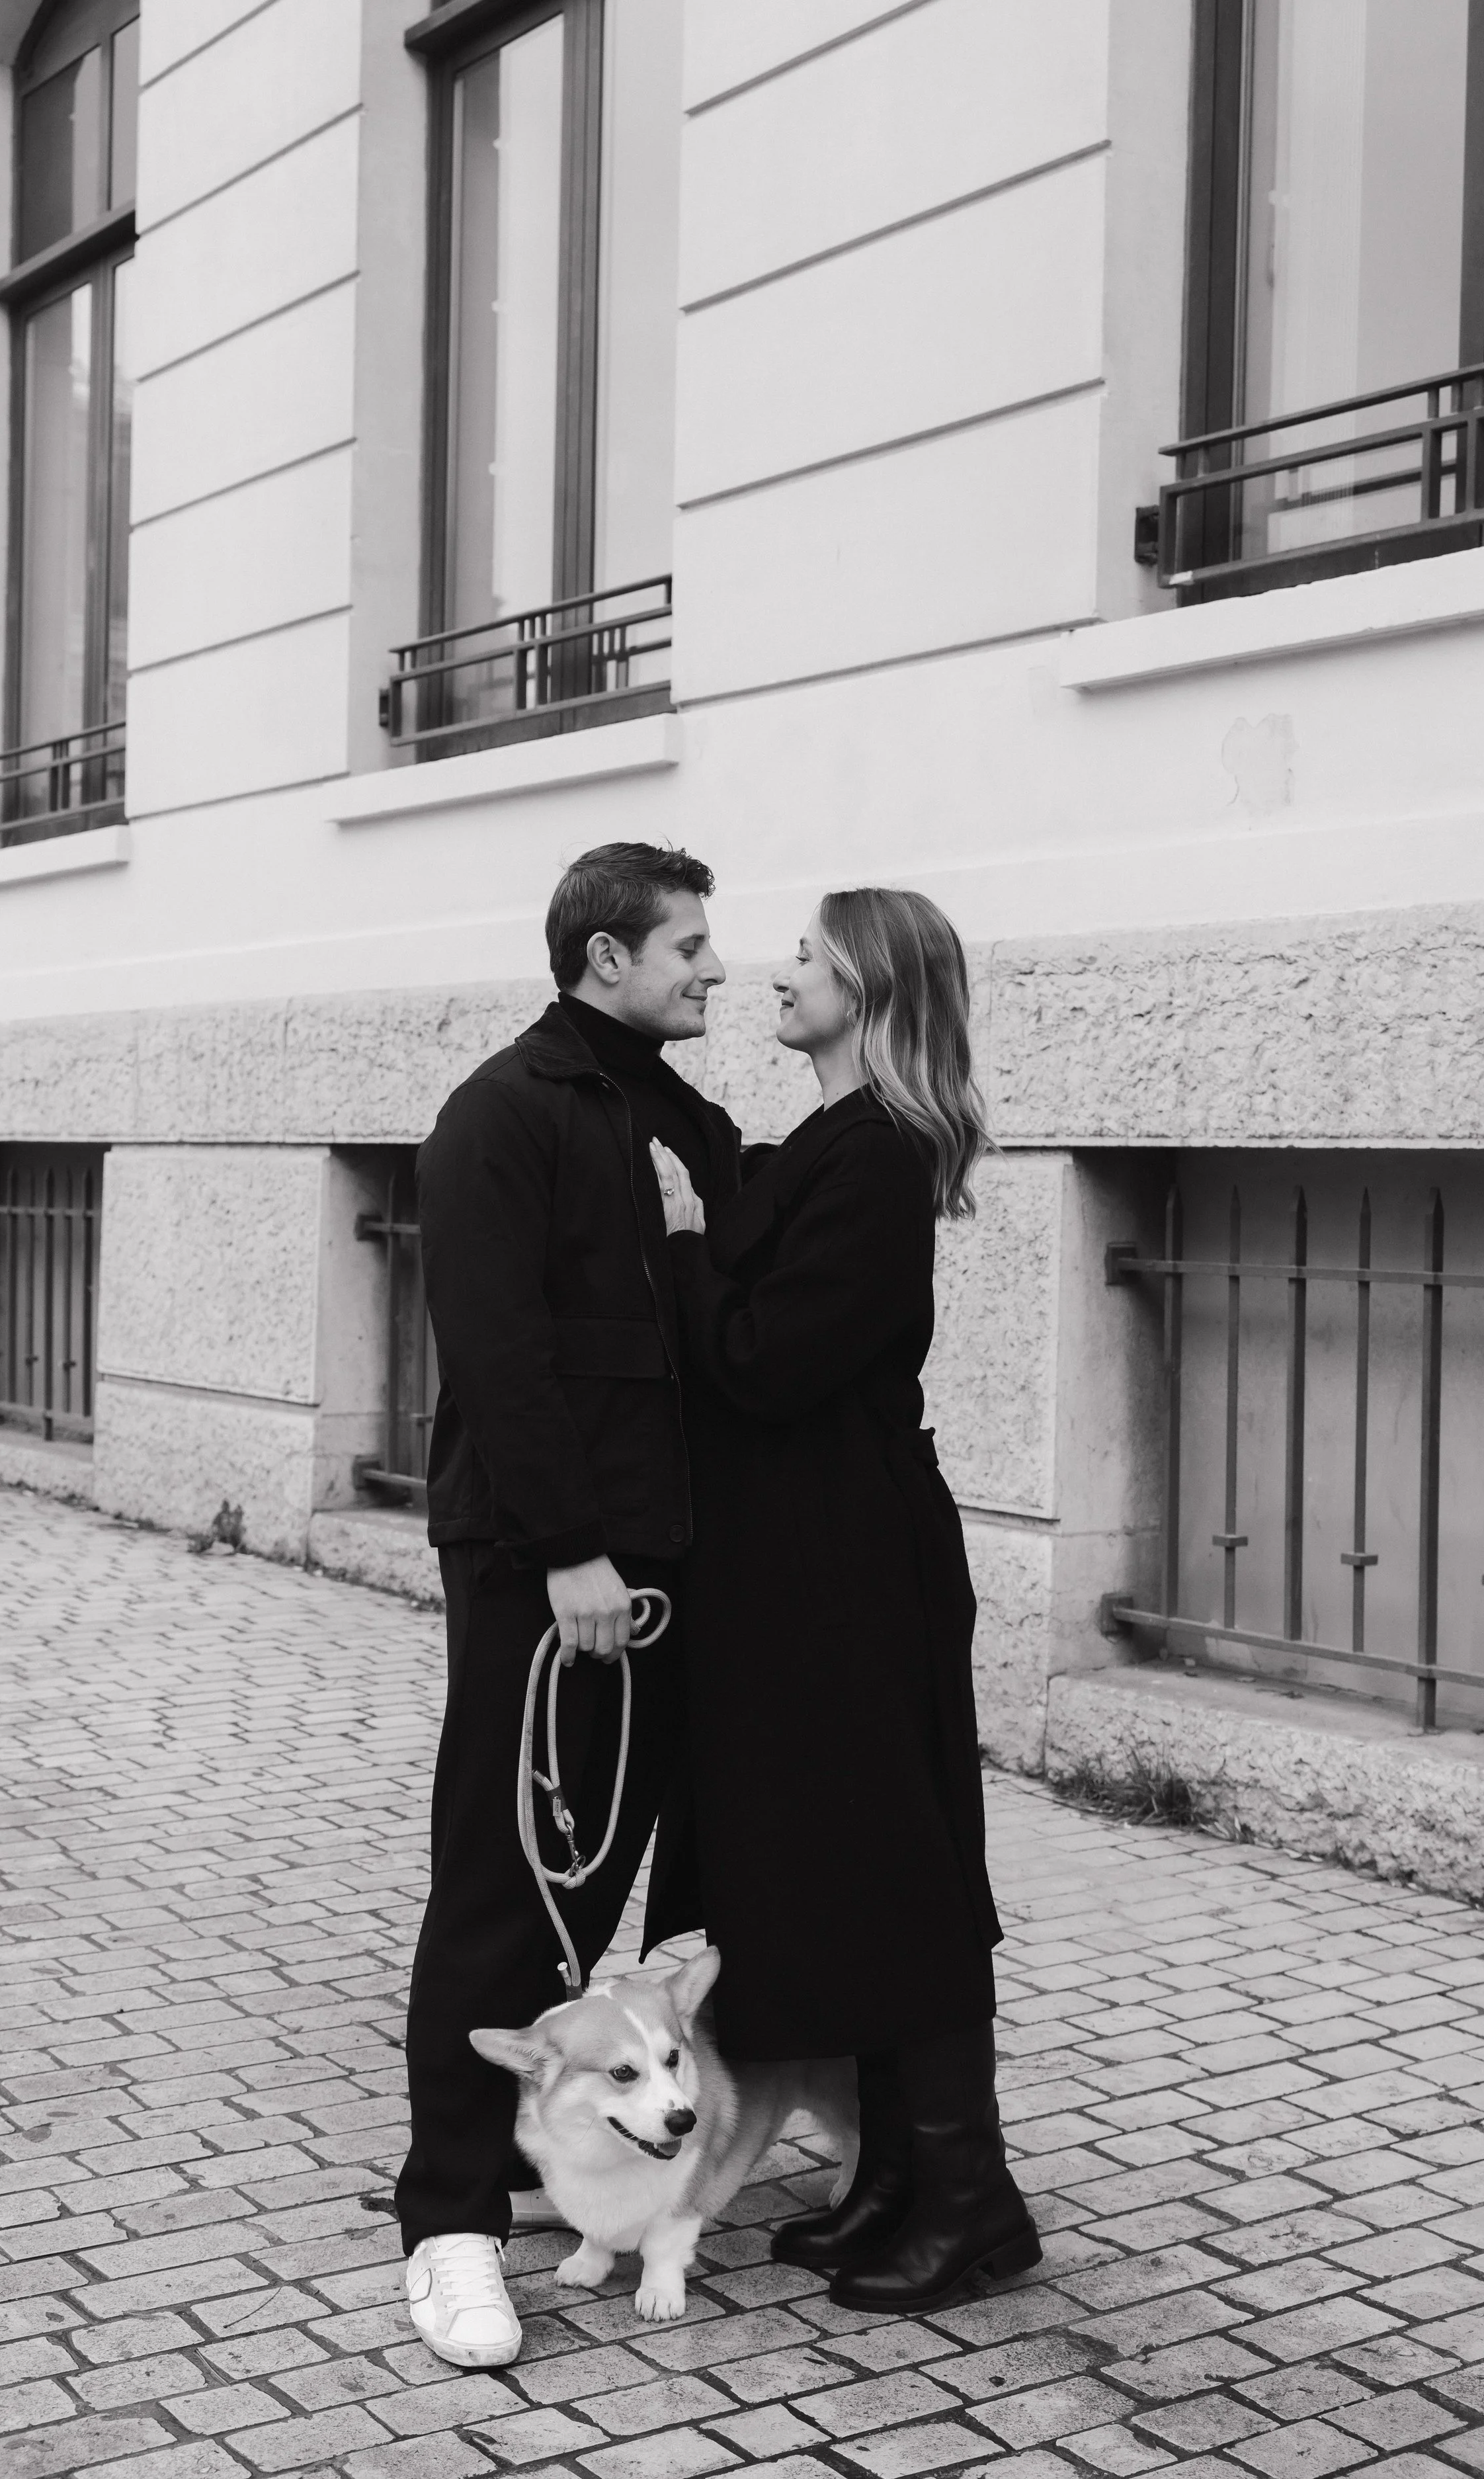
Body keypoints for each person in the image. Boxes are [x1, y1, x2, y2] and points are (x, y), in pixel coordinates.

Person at [647, 886, 1040, 2313]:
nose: (777, 972)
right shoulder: (831, 1139)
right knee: (848, 1870)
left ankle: (971, 2198)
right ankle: (897, 2182)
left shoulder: (875, 1153)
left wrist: (684, 1243)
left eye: (808, 956)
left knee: (902, 1874)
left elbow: (768, 1360)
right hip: (799, 1563)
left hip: (854, 1569)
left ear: (867, 987)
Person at [397, 843, 739, 2368]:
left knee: (599, 1886)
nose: (712, 967)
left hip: (666, 1558)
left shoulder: (683, 1118)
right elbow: (495, 1346)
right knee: (509, 1879)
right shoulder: (502, 1112)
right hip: (554, 1566)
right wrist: (566, 1547)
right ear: (608, 956)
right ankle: (447, 2220)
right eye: (687, 944)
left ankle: (557, 2144)